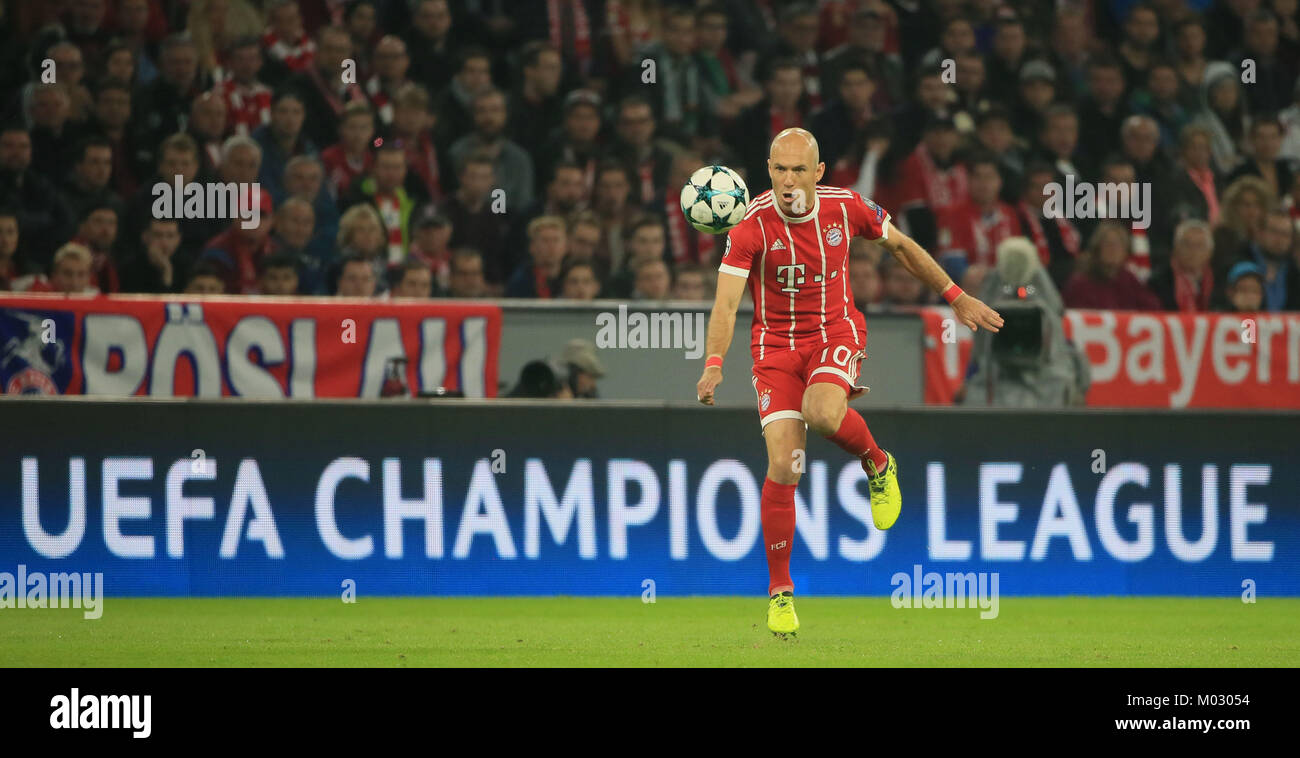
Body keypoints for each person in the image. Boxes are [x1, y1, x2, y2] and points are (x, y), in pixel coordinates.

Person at [694, 127, 1002, 636]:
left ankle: (877, 463)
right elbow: (726, 302)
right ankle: (779, 594)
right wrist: (712, 363)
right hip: (774, 348)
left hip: (833, 331)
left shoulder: (845, 207)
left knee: (822, 412)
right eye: (778, 169)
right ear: (767, 170)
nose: (788, 180)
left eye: (798, 170)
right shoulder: (749, 226)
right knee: (783, 465)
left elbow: (901, 247)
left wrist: (956, 296)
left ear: (818, 172)